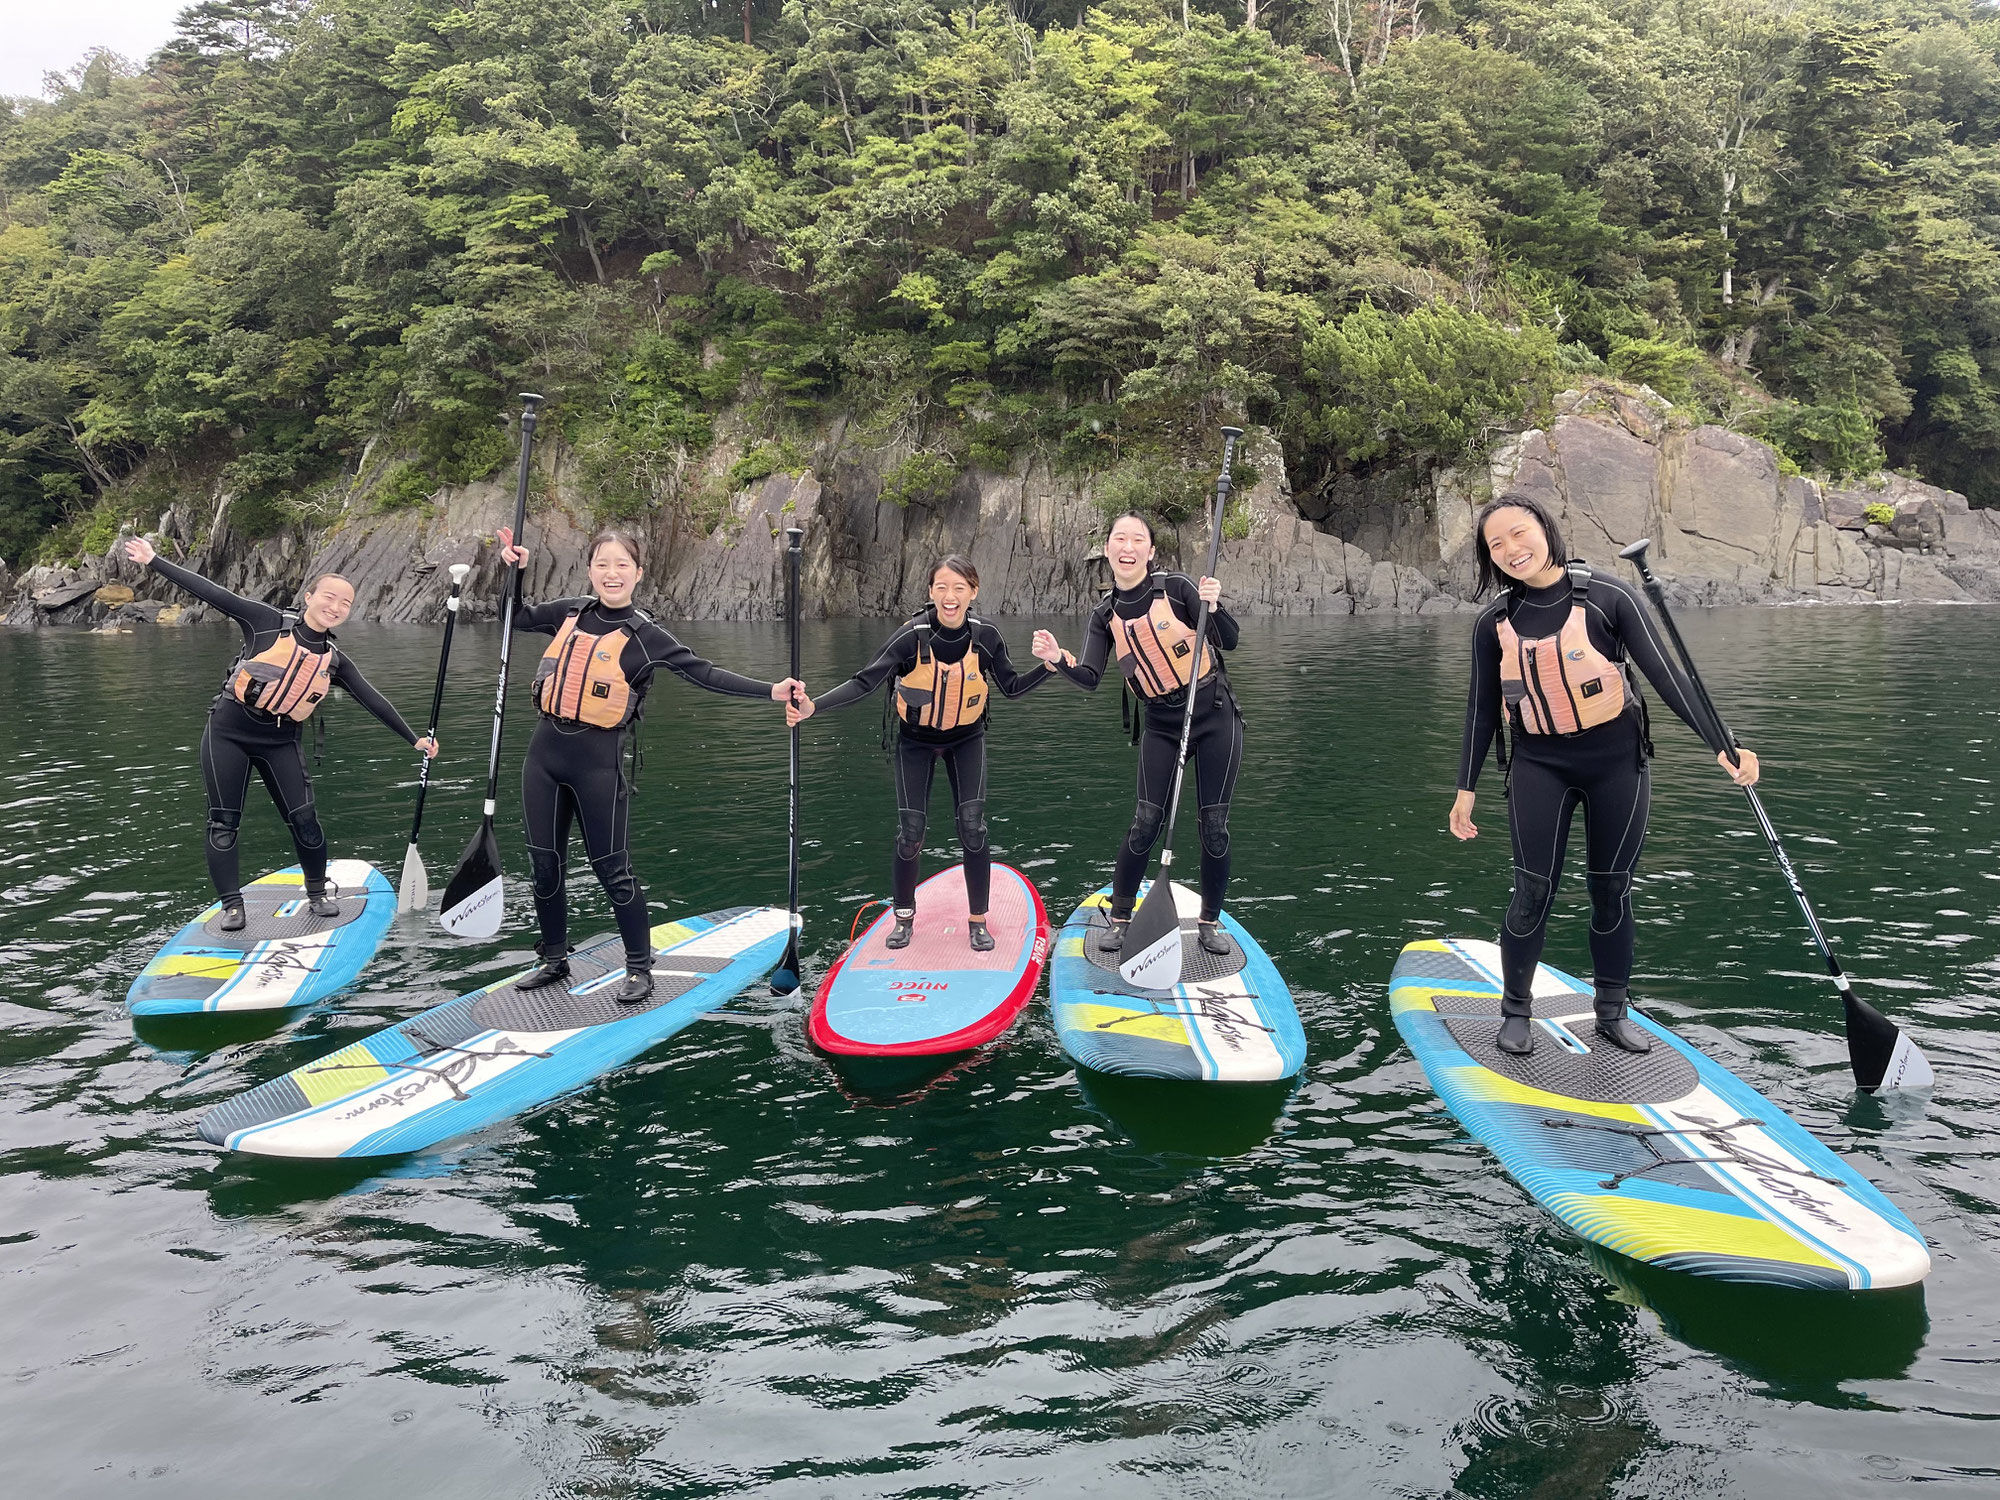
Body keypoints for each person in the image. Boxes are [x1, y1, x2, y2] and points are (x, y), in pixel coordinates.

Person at [1449, 496, 1761, 1056]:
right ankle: (1515, 1011)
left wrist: (1723, 743)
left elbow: (1667, 676)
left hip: (1617, 763)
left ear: (1546, 529)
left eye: (1519, 534)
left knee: (1611, 890)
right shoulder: (1493, 622)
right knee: (1531, 892)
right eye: (1496, 545)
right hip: (1536, 764)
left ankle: (1612, 1012)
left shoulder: (1610, 597)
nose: (1511, 550)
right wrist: (1464, 788)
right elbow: (1480, 707)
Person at [495, 525, 802, 1003]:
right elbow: (512, 617)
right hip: (543, 758)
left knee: (612, 870)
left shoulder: (646, 637)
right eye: (602, 564)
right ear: (590, 570)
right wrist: (513, 573)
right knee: (545, 866)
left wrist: (771, 690)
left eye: (622, 565)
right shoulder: (569, 614)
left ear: (638, 574)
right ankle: (554, 960)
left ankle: (639, 968)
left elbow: (706, 674)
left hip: (598, 765)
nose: (611, 573)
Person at [122, 536, 438, 926]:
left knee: (305, 820)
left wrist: (415, 739)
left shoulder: (334, 660)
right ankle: (232, 905)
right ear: (309, 596)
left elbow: (373, 699)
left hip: (281, 740)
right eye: (330, 597)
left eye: (345, 603)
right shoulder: (265, 622)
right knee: (223, 825)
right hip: (228, 733)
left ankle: (318, 892)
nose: (335, 607)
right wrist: (154, 560)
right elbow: (211, 592)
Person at [787, 555, 1051, 952]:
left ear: (973, 593)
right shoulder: (910, 636)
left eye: (959, 588)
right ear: (930, 591)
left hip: (968, 738)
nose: (950, 596)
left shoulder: (986, 636)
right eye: (941, 587)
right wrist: (813, 707)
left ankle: (978, 921)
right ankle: (904, 918)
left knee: (973, 827)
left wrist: (1048, 667)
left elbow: (1011, 686)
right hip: (915, 740)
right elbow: (864, 682)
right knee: (911, 834)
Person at [1030, 512, 1241, 958]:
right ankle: (1122, 918)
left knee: (1215, 827)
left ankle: (1208, 923)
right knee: (1146, 821)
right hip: (1162, 723)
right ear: (1107, 550)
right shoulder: (1104, 615)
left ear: (1150, 551)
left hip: (1214, 714)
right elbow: (1089, 677)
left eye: (1137, 539)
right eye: (1119, 539)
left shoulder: (1180, 589)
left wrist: (1214, 606)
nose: (1128, 547)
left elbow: (1230, 640)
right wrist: (1056, 659)